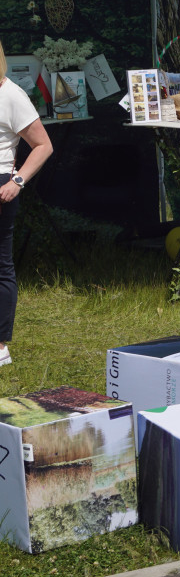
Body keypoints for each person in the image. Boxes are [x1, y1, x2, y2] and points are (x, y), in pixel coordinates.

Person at [0, 40, 53, 367]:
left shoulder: (11, 95)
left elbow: (43, 145)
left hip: (1, 183)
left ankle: (1, 346)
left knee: (0, 266)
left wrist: (17, 181)